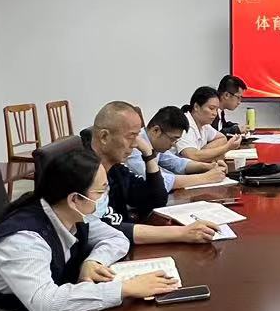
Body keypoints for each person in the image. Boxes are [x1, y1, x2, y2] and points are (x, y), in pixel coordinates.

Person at [0, 146, 177, 311]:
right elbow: (46, 304)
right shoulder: (24, 240)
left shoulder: (71, 214)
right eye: (101, 191)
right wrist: (124, 289)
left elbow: (116, 238)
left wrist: (93, 262)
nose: (105, 197)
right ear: (74, 199)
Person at [88, 103, 220, 247]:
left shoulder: (116, 169)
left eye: (137, 136)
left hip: (121, 246)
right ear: (104, 137)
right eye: (131, 137)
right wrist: (180, 233)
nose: (135, 144)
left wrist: (148, 154)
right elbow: (102, 230)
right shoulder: (84, 174)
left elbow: (156, 199)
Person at [131, 106, 226, 195]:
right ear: (156, 130)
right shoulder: (134, 147)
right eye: (172, 139)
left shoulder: (154, 143)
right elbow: (159, 182)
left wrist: (207, 166)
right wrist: (206, 178)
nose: (174, 144)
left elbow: (176, 163)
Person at [174, 87, 242, 165]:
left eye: (216, 110)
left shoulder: (204, 125)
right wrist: (227, 147)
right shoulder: (184, 125)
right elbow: (192, 156)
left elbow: (222, 138)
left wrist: (202, 153)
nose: (215, 113)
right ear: (196, 107)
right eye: (211, 108)